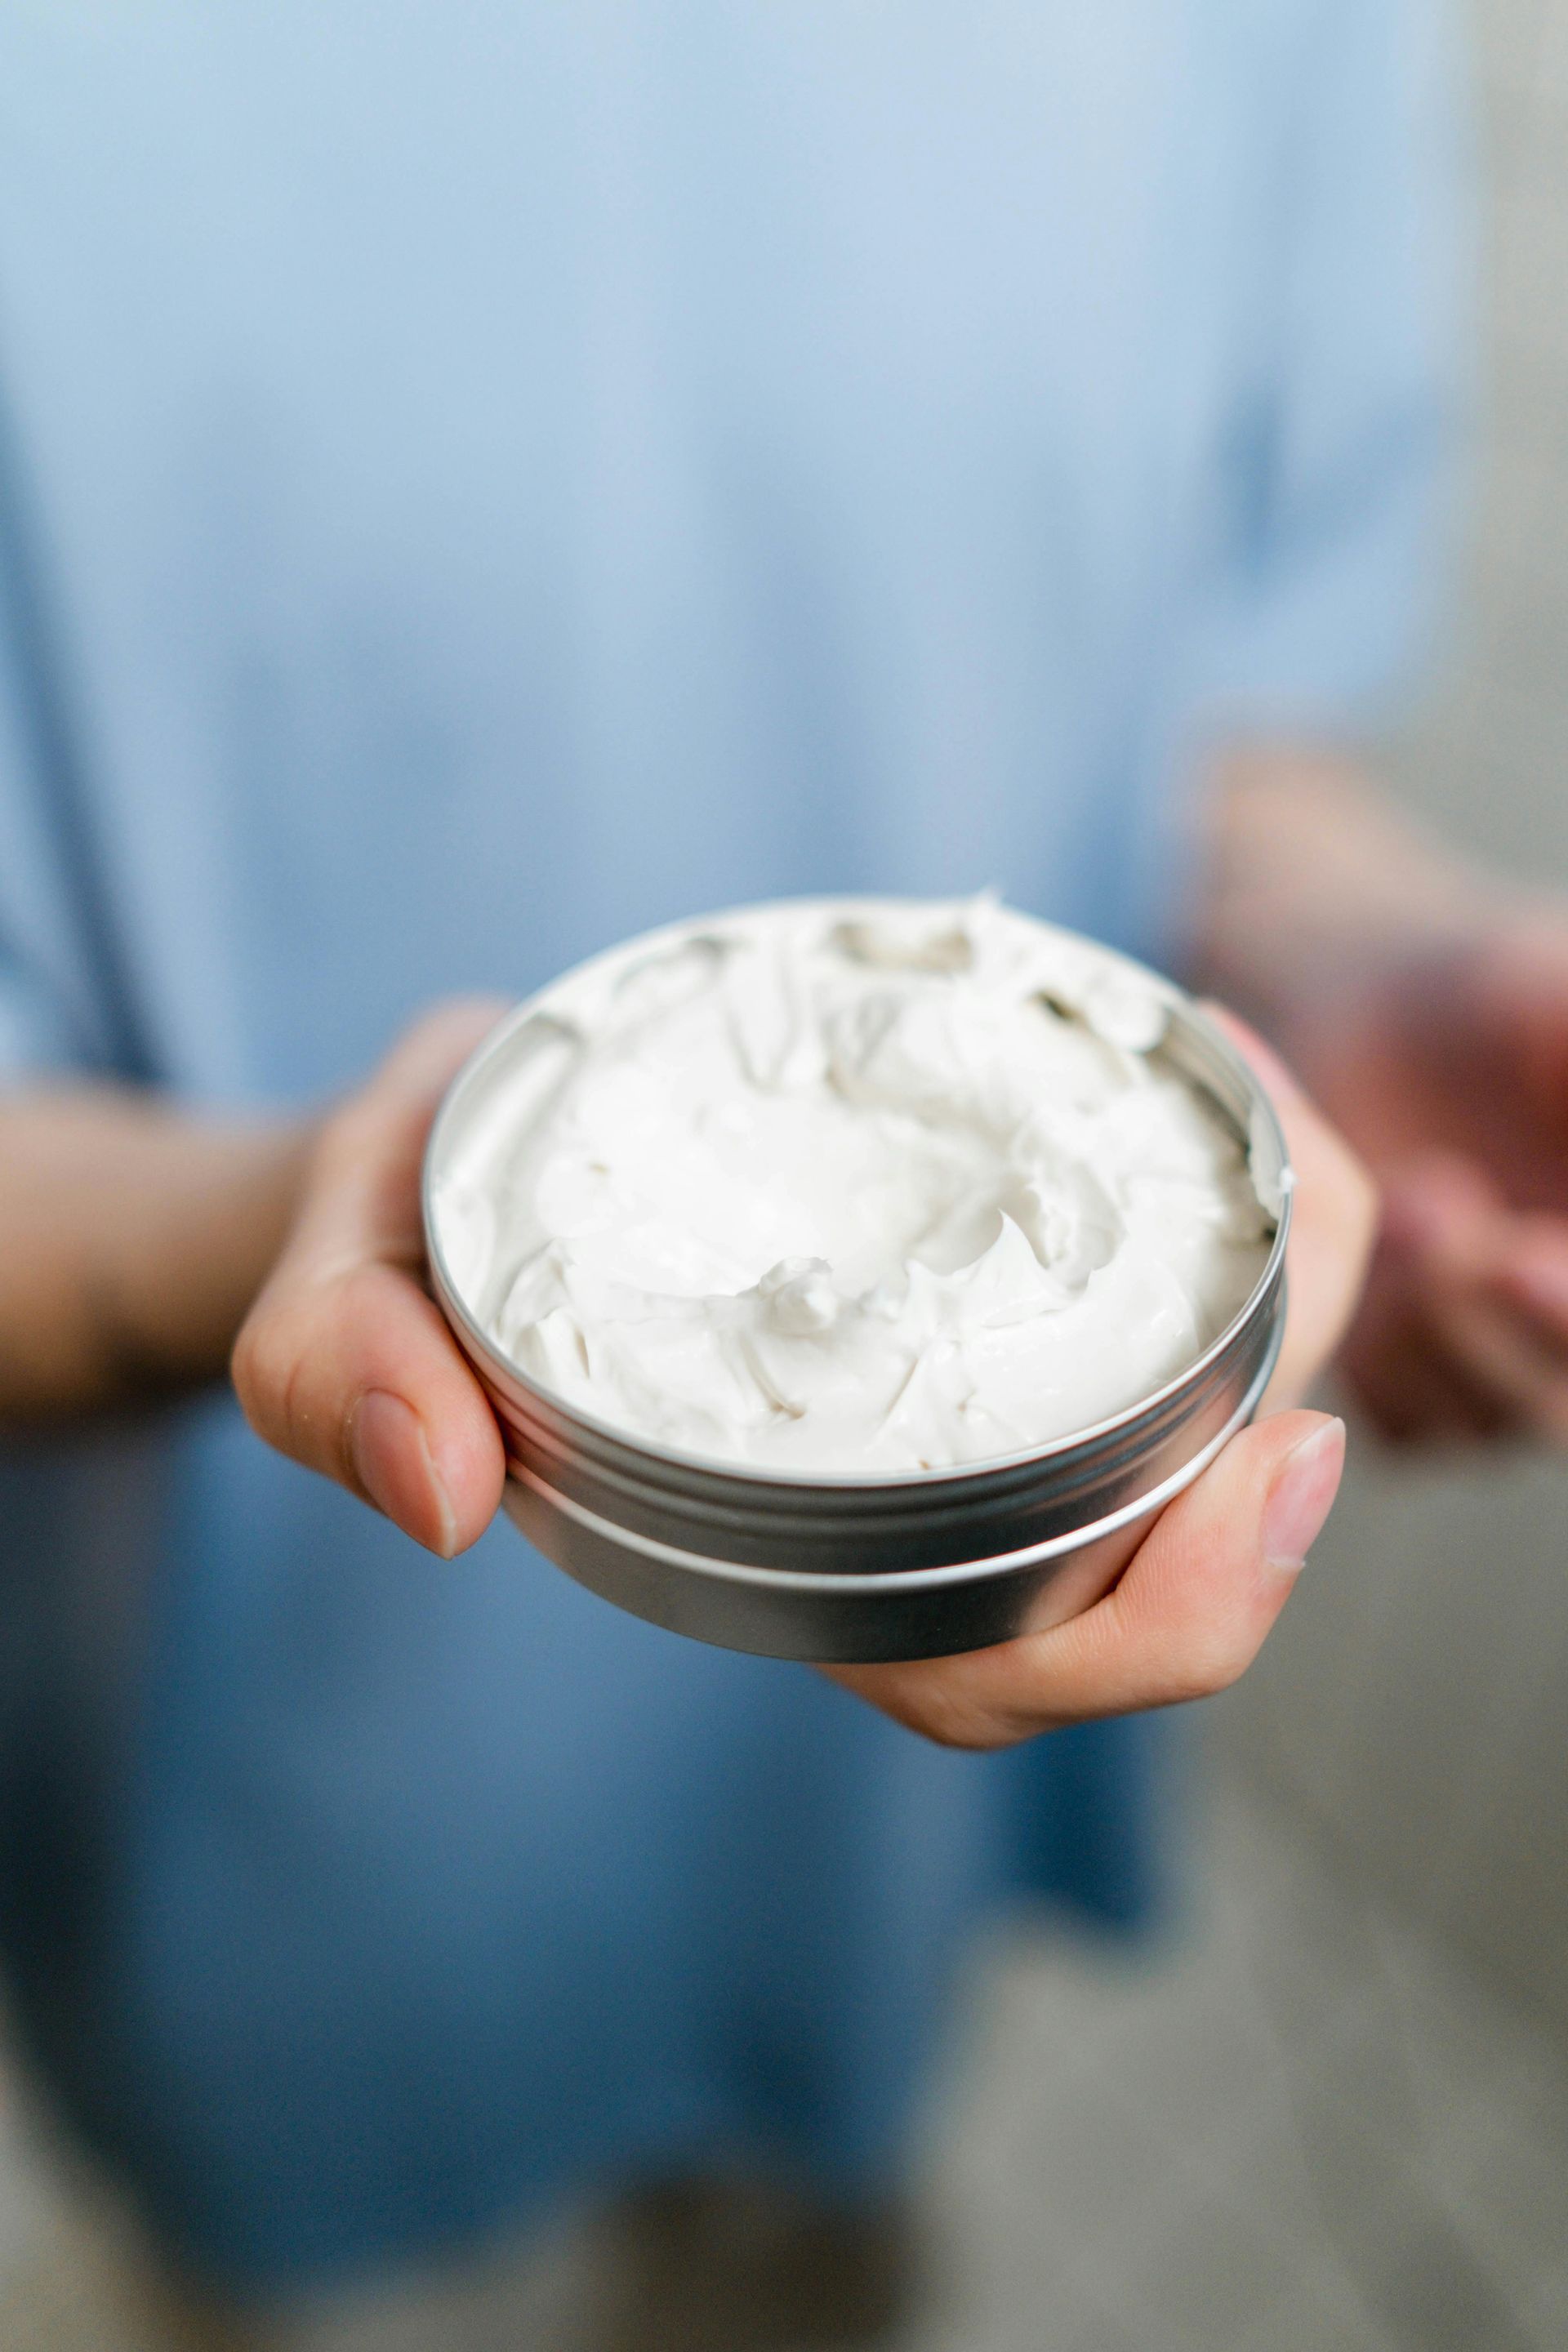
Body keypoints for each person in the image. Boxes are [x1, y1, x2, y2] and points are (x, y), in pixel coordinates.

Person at [2, 2, 1558, 2345]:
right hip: (279, 1793)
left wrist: (1340, 953)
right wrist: (280, 1228)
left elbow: (1195, 688)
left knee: (800, 2239)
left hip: (886, 1768)